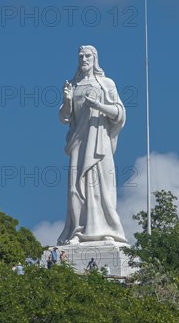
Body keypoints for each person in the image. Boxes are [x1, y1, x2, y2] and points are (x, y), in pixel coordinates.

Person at [57, 45, 128, 245]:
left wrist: (98, 106)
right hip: (78, 143)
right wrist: (67, 100)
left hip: (100, 143)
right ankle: (78, 231)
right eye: (80, 56)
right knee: (75, 187)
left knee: (102, 186)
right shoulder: (72, 84)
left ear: (95, 58)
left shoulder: (106, 83)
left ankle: (107, 229)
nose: (84, 60)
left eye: (87, 56)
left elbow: (120, 114)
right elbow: (64, 118)